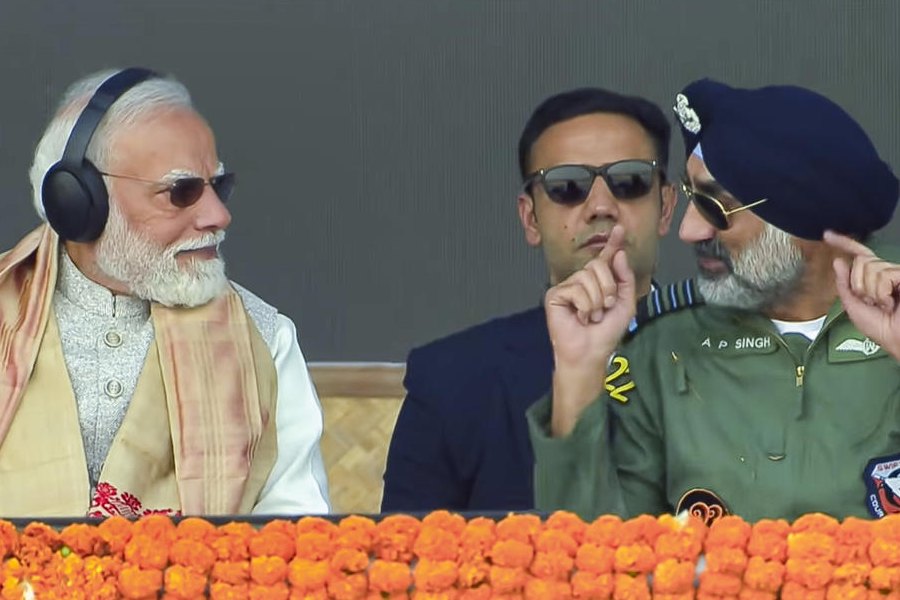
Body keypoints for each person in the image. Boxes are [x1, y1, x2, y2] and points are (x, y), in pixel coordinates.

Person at [528, 78, 900, 523]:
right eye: (690, 197)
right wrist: (577, 375)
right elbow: (597, 561)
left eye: (715, 207)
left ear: (804, 219)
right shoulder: (664, 346)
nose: (689, 231)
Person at [0, 67, 330, 517]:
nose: (217, 216)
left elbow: (297, 533)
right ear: (79, 202)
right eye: (182, 191)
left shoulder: (266, 341)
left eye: (219, 186)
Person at [382, 87, 678, 511]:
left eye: (629, 181)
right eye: (567, 186)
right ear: (530, 218)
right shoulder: (450, 380)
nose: (600, 206)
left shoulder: (739, 356)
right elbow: (405, 563)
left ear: (665, 207)